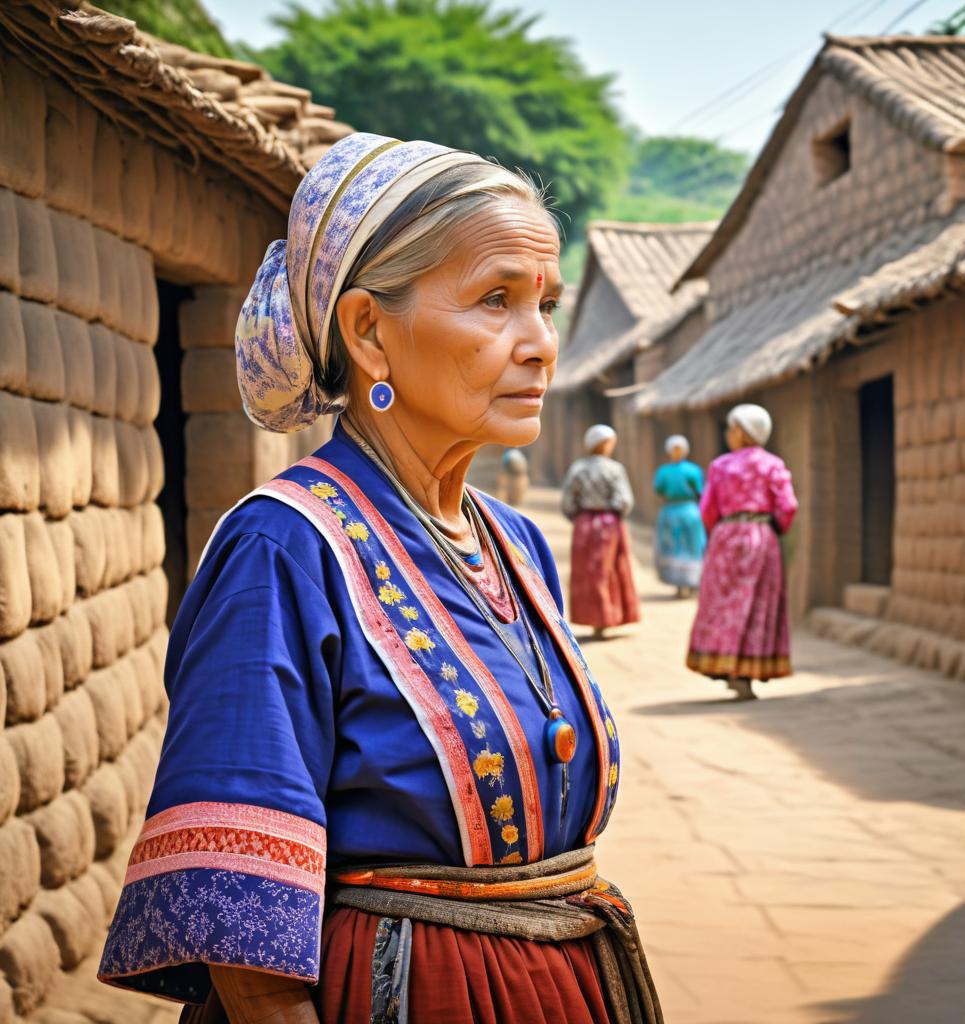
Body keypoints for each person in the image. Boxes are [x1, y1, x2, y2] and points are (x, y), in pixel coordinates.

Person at [96, 133, 661, 1024]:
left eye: (544, 304)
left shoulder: (514, 540)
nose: (541, 344)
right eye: (496, 300)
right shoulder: (284, 551)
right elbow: (245, 940)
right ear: (368, 331)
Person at [687, 404, 798, 700]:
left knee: (724, 604)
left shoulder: (721, 466)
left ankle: (723, 662)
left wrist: (721, 531)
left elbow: (708, 510)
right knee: (757, 604)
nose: (729, 435)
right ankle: (746, 670)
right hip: (762, 538)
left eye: (732, 429)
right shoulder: (773, 464)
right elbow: (787, 506)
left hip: (726, 537)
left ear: (741, 432)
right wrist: (775, 529)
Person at [561, 425, 639, 640]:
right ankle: (606, 616)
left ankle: (593, 619)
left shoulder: (578, 468)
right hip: (609, 523)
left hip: (583, 524)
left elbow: (568, 502)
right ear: (604, 444)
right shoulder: (614, 469)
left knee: (587, 572)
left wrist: (580, 518)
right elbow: (624, 500)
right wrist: (612, 514)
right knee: (608, 570)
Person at [653, 435, 706, 598]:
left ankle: (689, 582)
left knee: (685, 546)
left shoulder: (665, 471)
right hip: (686, 511)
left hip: (677, 511)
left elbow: (658, 491)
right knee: (682, 546)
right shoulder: (692, 470)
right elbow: (700, 491)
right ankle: (682, 583)